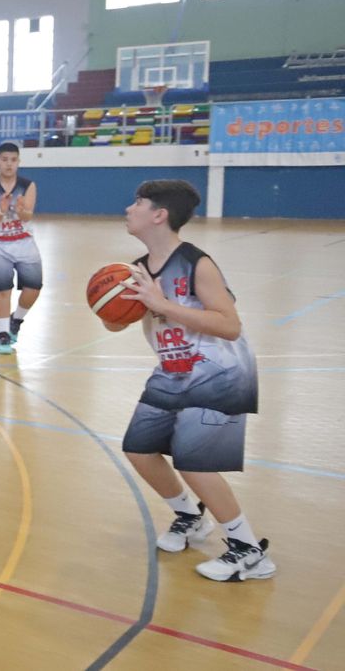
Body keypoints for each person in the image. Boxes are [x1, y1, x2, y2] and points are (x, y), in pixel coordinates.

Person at [115, 179, 272, 582]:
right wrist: (111, 308)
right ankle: (189, 516)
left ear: (159, 215)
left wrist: (162, 304)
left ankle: (249, 551)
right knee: (139, 449)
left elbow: (230, 325)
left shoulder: (197, 264)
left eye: (137, 203)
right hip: (173, 369)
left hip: (220, 370)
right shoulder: (136, 269)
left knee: (193, 462)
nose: (129, 209)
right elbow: (118, 323)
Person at [0, 142, 41, 354]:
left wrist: (21, 210)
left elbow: (28, 216)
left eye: (13, 160)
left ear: (18, 162)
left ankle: (17, 320)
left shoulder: (28, 185)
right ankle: (3, 334)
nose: (9, 164)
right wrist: (2, 209)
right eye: (4, 160)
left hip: (24, 242)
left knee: (34, 288)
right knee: (3, 289)